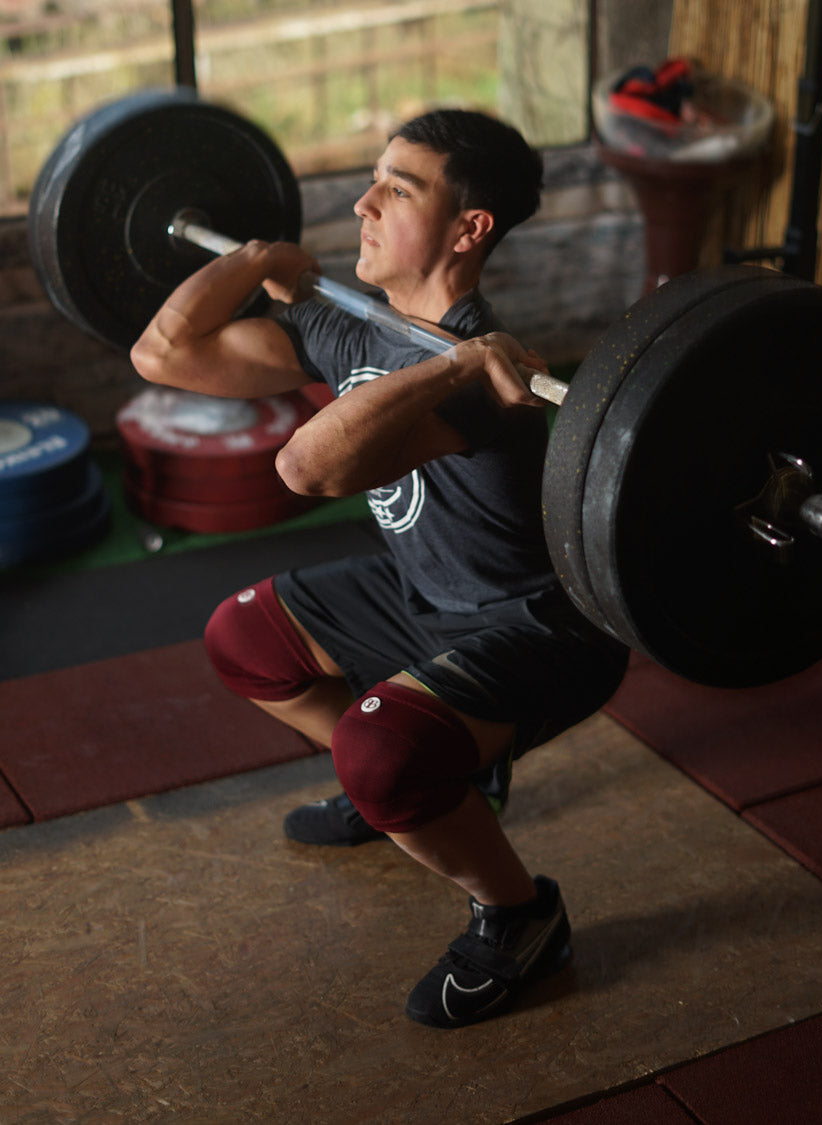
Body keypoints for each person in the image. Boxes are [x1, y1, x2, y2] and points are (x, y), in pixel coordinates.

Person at [131, 108, 628, 1028]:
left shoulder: (488, 376)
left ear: (468, 230)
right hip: (422, 595)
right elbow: (163, 352)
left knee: (378, 750)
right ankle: (443, 788)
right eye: (373, 178)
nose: (361, 202)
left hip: (535, 629)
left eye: (397, 189)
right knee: (243, 638)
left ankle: (521, 916)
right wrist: (255, 260)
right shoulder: (354, 329)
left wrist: (455, 366)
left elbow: (306, 468)